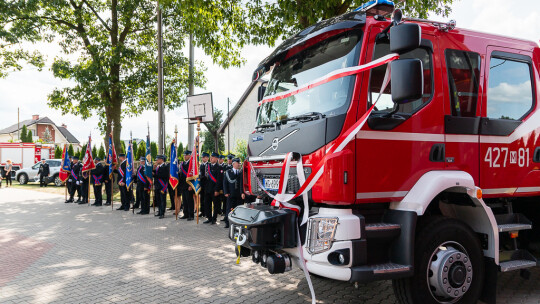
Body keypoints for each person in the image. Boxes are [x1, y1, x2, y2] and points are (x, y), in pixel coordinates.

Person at [223, 158, 245, 228]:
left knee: (238, 208)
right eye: (237, 163)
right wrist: (226, 192)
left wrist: (242, 193)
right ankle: (227, 222)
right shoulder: (228, 172)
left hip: (238, 194)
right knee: (229, 208)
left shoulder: (241, 172)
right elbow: (225, 183)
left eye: (239, 163)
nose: (239, 164)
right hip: (230, 193)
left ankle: (237, 222)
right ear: (233, 164)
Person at [203, 152, 223, 224]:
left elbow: (219, 180)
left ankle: (214, 219)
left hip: (214, 189)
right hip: (208, 189)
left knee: (215, 205)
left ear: (217, 158)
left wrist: (217, 190)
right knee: (207, 204)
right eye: (211, 157)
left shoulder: (219, 167)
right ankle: (209, 217)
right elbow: (205, 178)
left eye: (213, 157)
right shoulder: (208, 166)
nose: (211, 158)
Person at [179, 150, 194, 220]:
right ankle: (186, 214)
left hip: (189, 185)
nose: (185, 156)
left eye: (186, 155)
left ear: (189, 155)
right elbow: (181, 174)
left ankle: (191, 215)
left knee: (189, 201)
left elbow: (193, 175)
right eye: (184, 155)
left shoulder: (191, 164)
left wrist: (191, 185)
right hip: (183, 185)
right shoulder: (182, 164)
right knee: (184, 200)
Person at [199, 152, 209, 217]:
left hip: (206, 184)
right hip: (201, 184)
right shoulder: (201, 165)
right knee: (201, 199)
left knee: (206, 199)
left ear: (207, 158)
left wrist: (202, 177)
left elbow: (206, 175)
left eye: (204, 157)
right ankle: (202, 211)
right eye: (202, 157)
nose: (203, 158)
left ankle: (206, 212)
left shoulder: (208, 165)